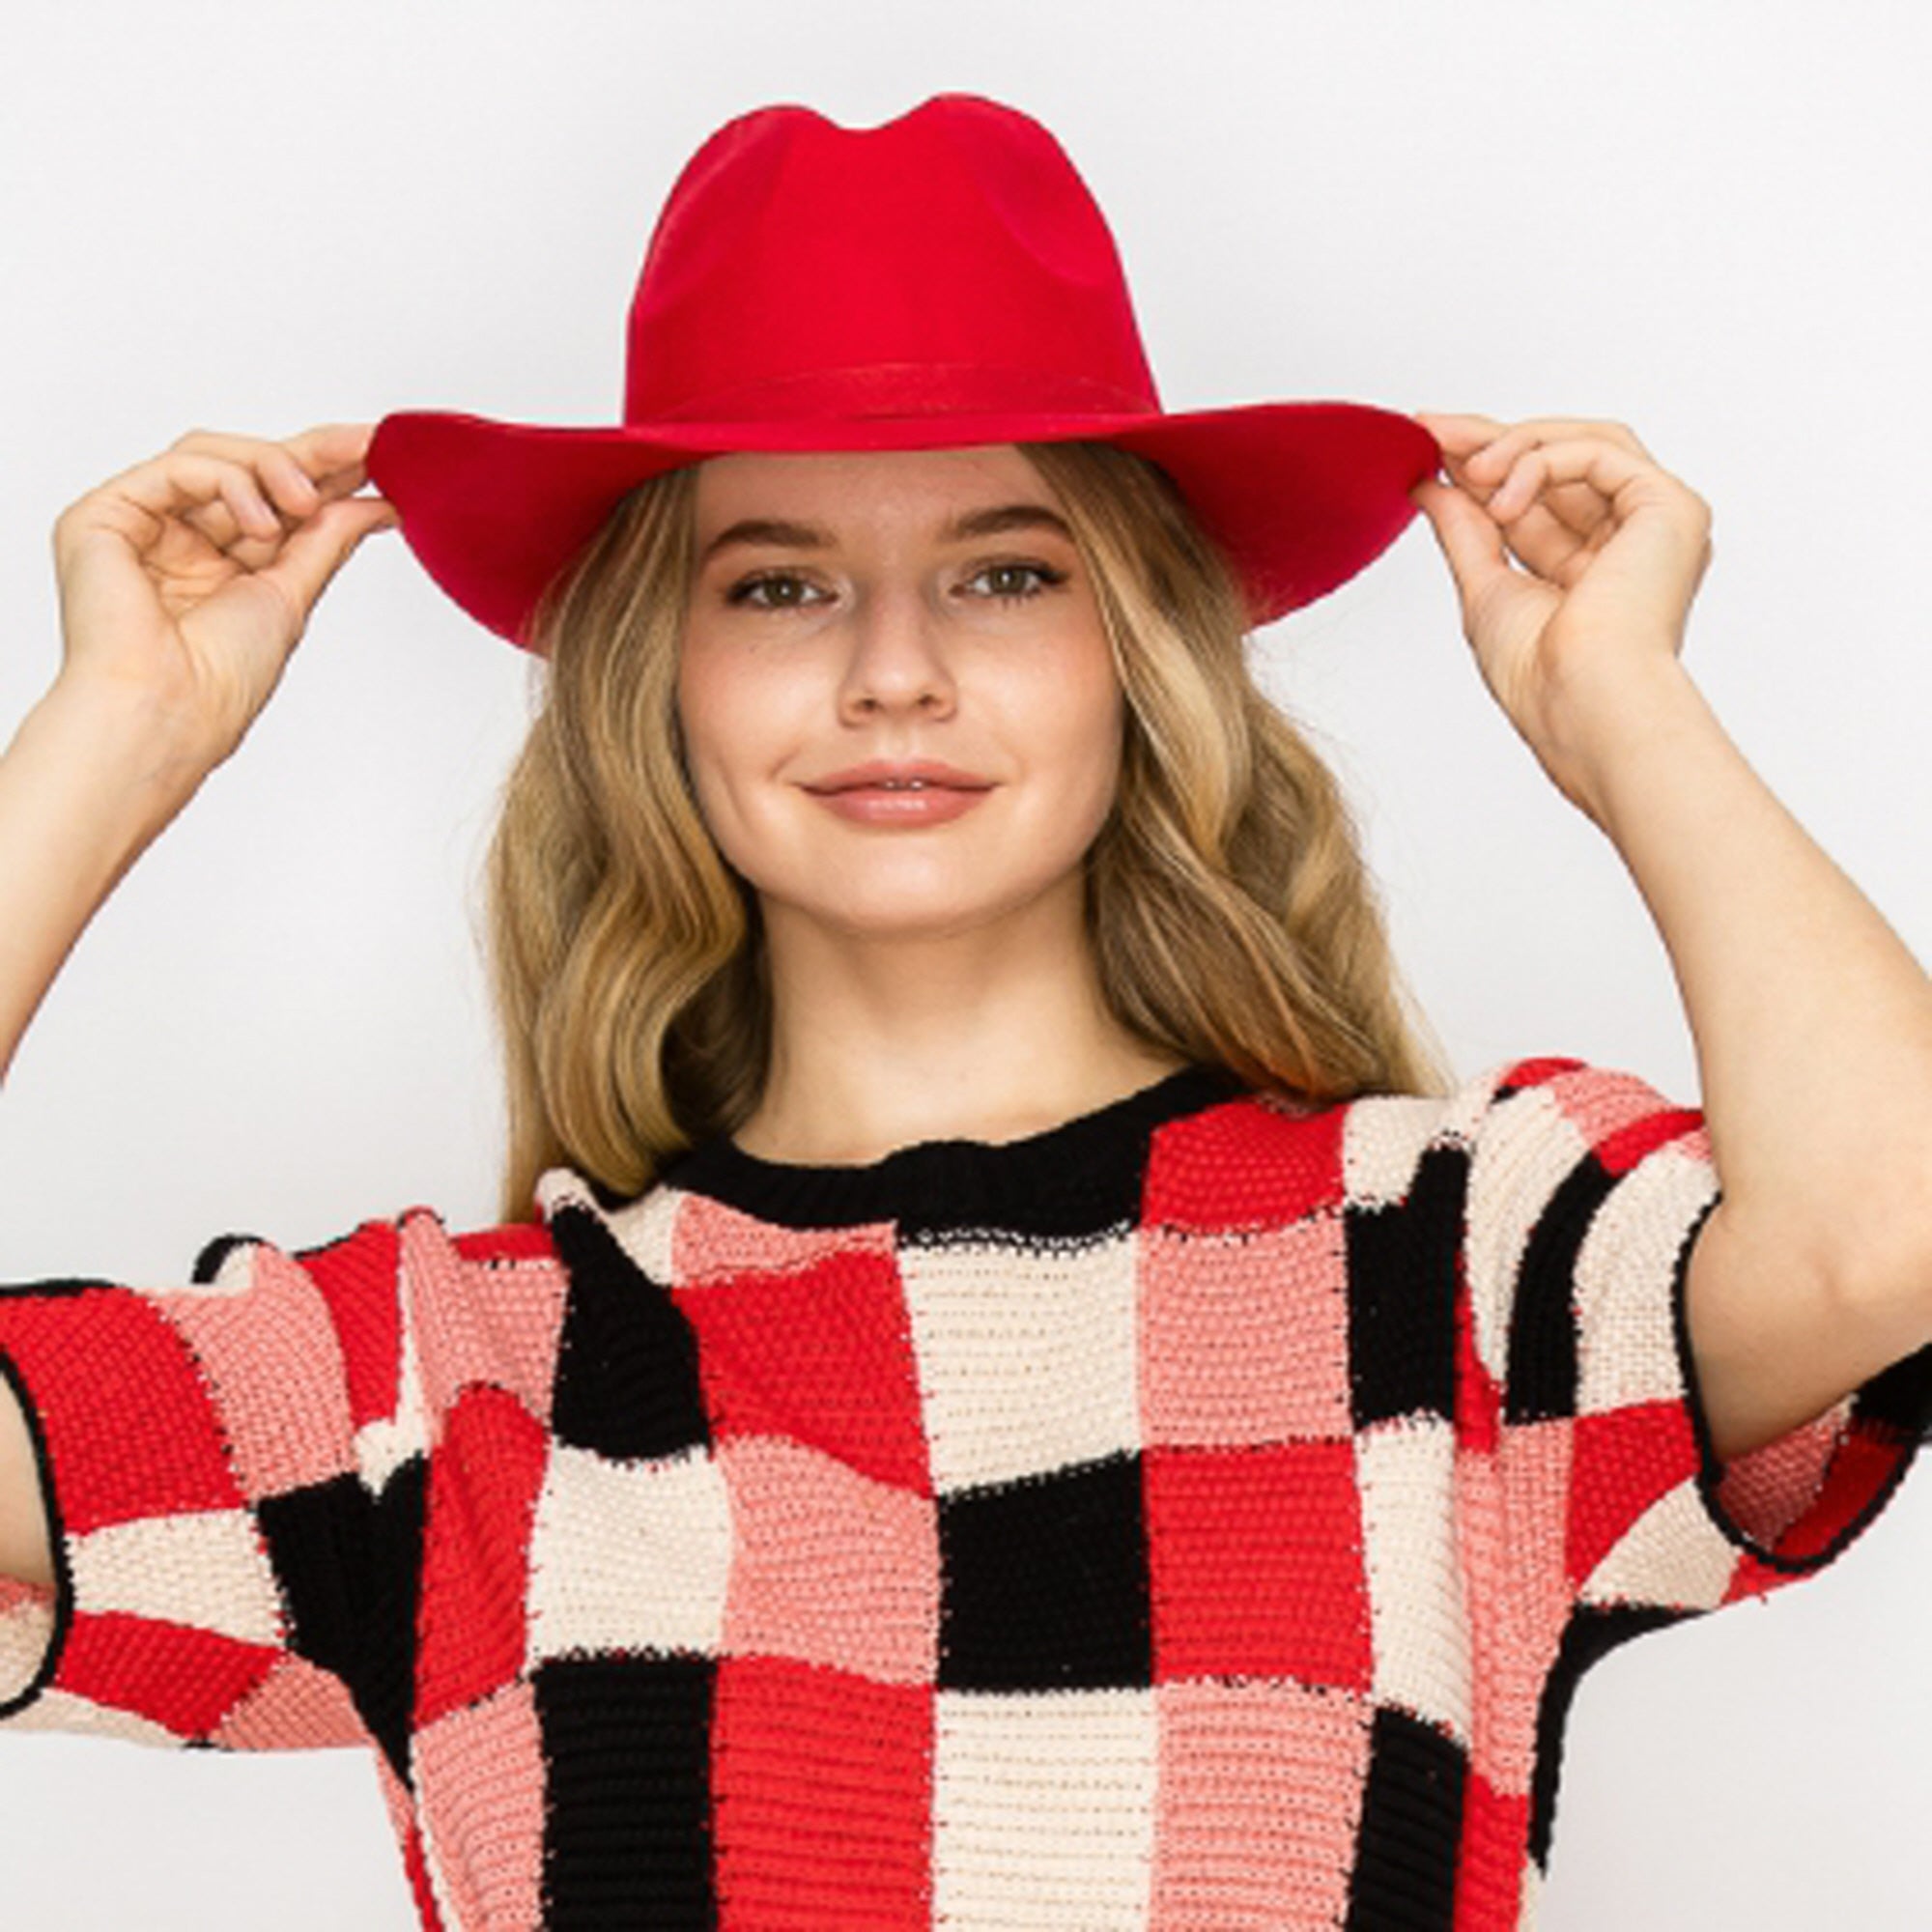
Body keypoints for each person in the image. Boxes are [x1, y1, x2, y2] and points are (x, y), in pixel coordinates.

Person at [1, 89, 1928, 1932]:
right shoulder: (440, 1387)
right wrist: (116, 734)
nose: (894, 672)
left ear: (1139, 651)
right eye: (777, 588)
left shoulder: (1449, 1264)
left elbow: (1885, 1232)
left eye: (1005, 573)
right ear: (654, 681)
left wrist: (1625, 710)